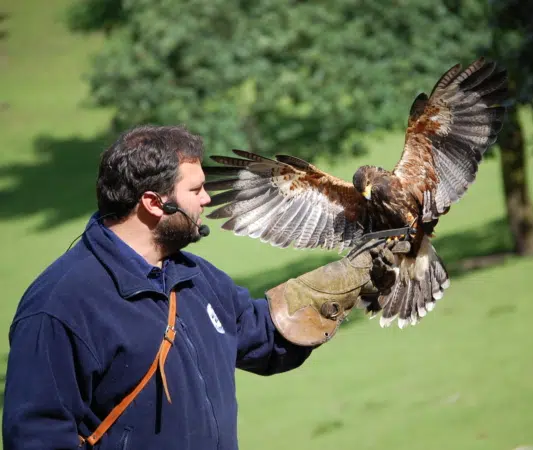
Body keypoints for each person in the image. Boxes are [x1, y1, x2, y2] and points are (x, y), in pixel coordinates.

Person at [2, 125, 401, 450]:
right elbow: (36, 436)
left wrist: (352, 278)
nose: (207, 199)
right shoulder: (60, 306)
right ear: (154, 203)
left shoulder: (195, 277)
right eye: (195, 191)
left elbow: (263, 336)